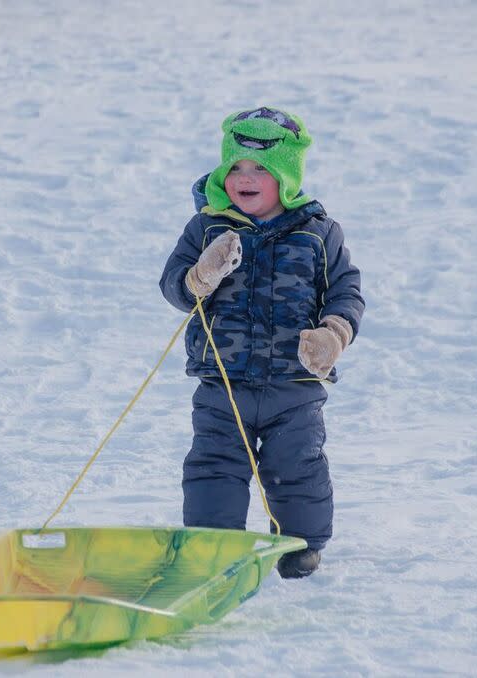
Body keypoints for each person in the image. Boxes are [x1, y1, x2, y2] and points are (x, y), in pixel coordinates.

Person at [159, 107, 365, 578]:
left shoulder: (318, 234)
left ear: (285, 175)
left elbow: (346, 291)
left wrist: (334, 333)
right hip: (222, 381)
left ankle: (299, 546)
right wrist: (198, 275)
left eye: (259, 169)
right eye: (235, 167)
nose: (243, 177)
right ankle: (215, 548)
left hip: (293, 383)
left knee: (297, 465)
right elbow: (172, 285)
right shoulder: (206, 228)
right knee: (214, 465)